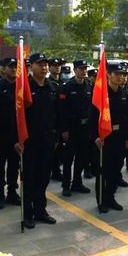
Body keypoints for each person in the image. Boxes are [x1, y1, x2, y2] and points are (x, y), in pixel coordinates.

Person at [18, 53, 58, 228]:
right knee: (29, 179)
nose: (44, 67)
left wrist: (56, 137)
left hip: (48, 141)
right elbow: (18, 116)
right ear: (31, 66)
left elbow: (57, 114)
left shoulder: (53, 87)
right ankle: (27, 213)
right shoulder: (24, 88)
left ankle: (41, 210)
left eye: (45, 64)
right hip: (30, 142)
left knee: (43, 178)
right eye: (39, 64)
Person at [89, 63, 128, 213]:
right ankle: (101, 200)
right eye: (117, 74)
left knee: (115, 170)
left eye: (123, 74)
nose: (121, 77)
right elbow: (93, 118)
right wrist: (95, 137)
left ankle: (110, 196)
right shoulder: (101, 94)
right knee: (103, 171)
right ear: (108, 74)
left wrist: (127, 137)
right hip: (104, 138)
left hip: (119, 137)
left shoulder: (125, 94)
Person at [0, 58, 21, 210]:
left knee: (14, 166)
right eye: (11, 67)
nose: (14, 70)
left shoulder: (21, 87)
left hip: (17, 135)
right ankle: (0, 195)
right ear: (3, 69)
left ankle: (12, 193)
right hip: (1, 135)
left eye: (16, 67)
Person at [58, 60, 92, 197]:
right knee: (68, 159)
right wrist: (64, 130)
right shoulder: (66, 87)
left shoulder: (89, 86)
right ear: (75, 70)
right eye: (80, 68)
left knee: (82, 157)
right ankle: (66, 185)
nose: (83, 71)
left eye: (85, 68)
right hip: (71, 128)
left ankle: (77, 182)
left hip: (84, 128)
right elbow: (61, 110)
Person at [48, 58, 65, 182]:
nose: (57, 68)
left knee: (59, 149)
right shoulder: (47, 83)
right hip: (50, 122)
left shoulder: (64, 84)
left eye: (59, 65)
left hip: (61, 121)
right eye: (54, 66)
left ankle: (56, 171)